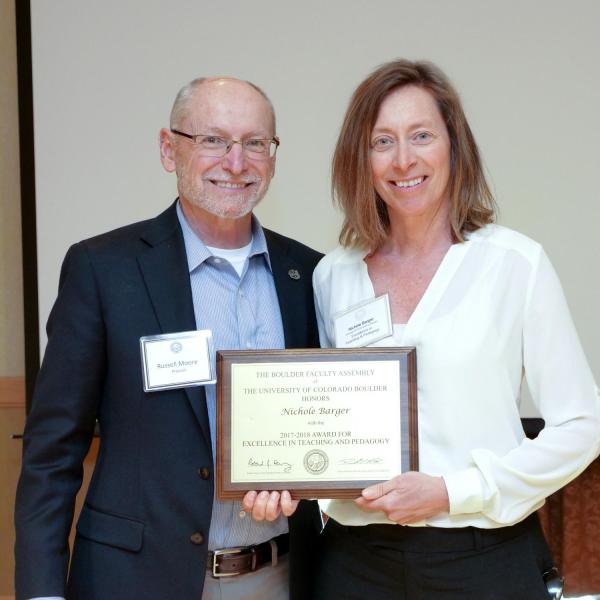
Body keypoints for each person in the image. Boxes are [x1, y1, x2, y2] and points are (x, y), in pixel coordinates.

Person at [14, 76, 322, 600]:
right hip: (135, 581)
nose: (236, 161)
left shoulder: (309, 274)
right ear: (168, 148)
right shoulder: (104, 269)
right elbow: (52, 450)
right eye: (213, 140)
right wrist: (42, 592)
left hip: (278, 578)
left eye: (255, 143)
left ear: (273, 156)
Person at [309, 59, 600, 598]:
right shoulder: (335, 276)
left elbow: (583, 424)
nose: (404, 160)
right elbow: (329, 423)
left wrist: (452, 491)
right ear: (361, 158)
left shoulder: (515, 264)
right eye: (382, 142)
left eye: (421, 135)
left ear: (453, 147)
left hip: (482, 559)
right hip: (355, 565)